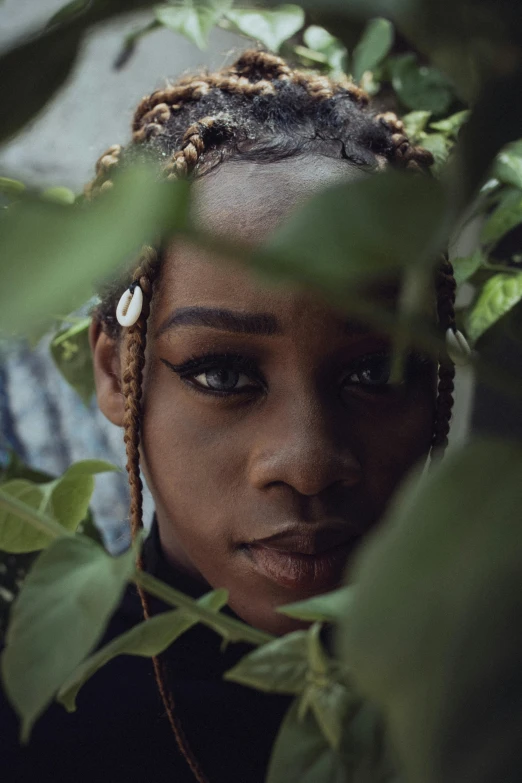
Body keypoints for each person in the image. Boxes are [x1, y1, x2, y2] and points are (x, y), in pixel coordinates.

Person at [1, 49, 460, 783]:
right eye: (223, 372)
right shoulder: (43, 730)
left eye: (377, 372)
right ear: (119, 371)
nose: (307, 461)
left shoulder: (488, 687)